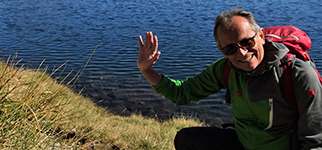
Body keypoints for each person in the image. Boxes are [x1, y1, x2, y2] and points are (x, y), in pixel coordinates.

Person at [137, 8, 322, 150]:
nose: (242, 52)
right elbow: (181, 93)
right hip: (242, 144)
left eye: (247, 42)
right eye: (230, 49)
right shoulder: (226, 69)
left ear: (261, 36)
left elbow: (315, 140)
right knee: (186, 139)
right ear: (222, 51)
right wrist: (146, 70)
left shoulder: (298, 74)